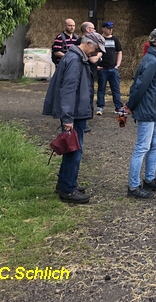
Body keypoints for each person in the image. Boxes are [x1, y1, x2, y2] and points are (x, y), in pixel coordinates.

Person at [43, 32, 106, 204]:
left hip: (76, 112)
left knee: (71, 149)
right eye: (96, 48)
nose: (96, 52)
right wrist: (68, 118)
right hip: (74, 114)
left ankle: (65, 183)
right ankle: (68, 190)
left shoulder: (75, 57)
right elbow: (68, 91)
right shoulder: (75, 61)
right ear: (88, 43)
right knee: (74, 151)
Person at [125, 28, 156, 199]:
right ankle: (133, 186)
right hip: (148, 109)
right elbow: (139, 86)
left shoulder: (154, 59)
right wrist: (131, 105)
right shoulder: (152, 61)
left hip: (154, 110)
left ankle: (149, 178)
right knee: (142, 147)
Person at [76, 22, 102, 133]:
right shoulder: (80, 45)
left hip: (90, 72)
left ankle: (84, 120)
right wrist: (100, 54)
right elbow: (92, 59)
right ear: (87, 29)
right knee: (84, 97)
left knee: (89, 96)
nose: (95, 30)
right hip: (85, 74)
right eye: (93, 29)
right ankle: (82, 121)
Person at [96, 22, 123, 115]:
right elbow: (92, 51)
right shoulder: (99, 39)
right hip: (102, 68)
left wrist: (117, 65)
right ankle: (100, 107)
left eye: (111, 28)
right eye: (108, 28)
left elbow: (119, 52)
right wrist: (96, 65)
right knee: (101, 88)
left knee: (116, 88)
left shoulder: (115, 39)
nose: (110, 30)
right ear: (103, 29)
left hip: (113, 68)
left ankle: (118, 107)